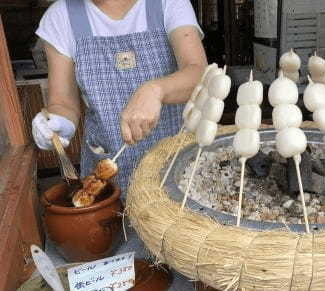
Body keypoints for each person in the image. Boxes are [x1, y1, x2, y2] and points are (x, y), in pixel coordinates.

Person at [32, 0, 207, 195]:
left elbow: (199, 74)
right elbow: (63, 102)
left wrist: (156, 90)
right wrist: (57, 123)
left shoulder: (168, 3)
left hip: (175, 167)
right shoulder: (60, 16)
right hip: (108, 174)